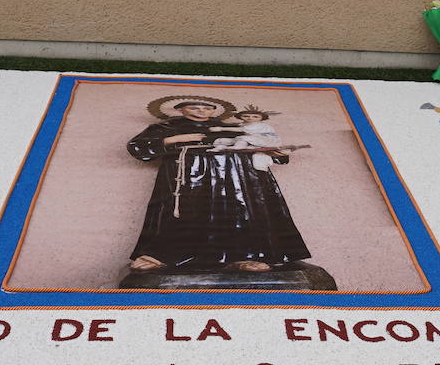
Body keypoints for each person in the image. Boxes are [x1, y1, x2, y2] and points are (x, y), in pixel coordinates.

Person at [126, 100, 310, 273]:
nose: (201, 111)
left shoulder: (235, 128)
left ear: (214, 111)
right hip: (188, 174)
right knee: (181, 211)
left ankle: (245, 255)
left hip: (235, 176)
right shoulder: (165, 127)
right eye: (194, 107)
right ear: (180, 109)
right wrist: (175, 139)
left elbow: (260, 142)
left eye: (206, 108)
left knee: (238, 212)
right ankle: (162, 255)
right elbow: (137, 146)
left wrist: (277, 153)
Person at [209, 109, 281, 171]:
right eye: (246, 116)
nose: (250, 118)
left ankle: (238, 147)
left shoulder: (259, 125)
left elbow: (241, 130)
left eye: (255, 117)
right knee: (222, 140)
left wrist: (221, 128)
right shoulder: (243, 124)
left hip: (267, 140)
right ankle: (221, 147)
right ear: (240, 117)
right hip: (253, 140)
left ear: (261, 118)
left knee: (243, 138)